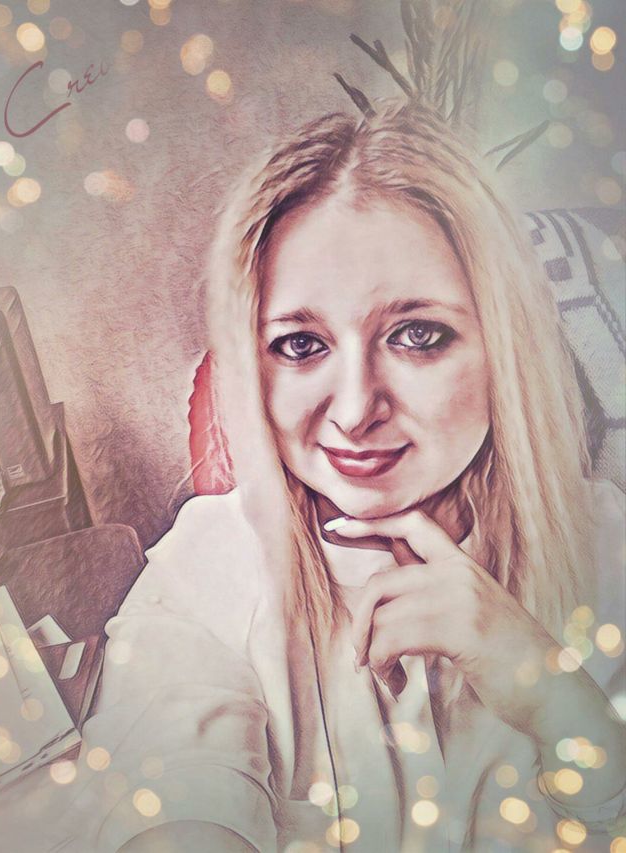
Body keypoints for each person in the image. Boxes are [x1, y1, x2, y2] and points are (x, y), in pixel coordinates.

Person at [56, 99, 625, 852]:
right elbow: (176, 799)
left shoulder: (608, 549)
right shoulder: (206, 574)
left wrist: (560, 703)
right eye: (300, 345)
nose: (355, 410)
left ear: (505, 348)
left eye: (417, 335)